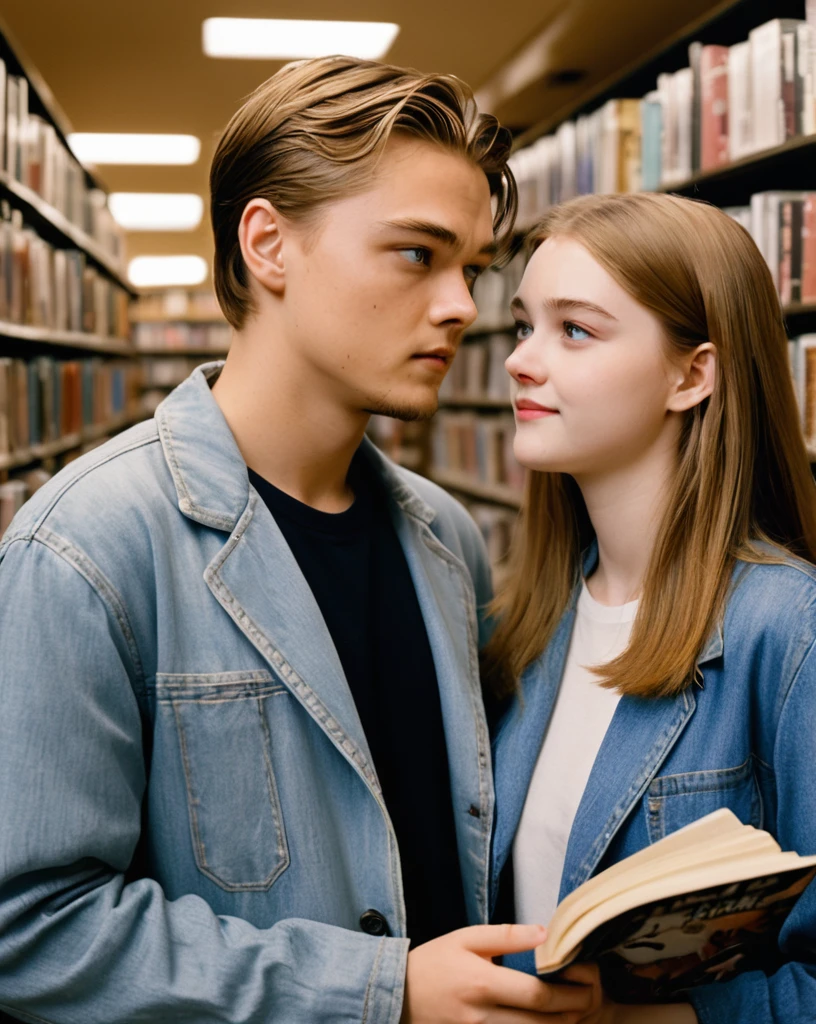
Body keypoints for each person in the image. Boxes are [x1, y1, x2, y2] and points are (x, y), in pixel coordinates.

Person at [0, 57, 593, 1023]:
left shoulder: (447, 538)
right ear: (268, 245)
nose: (462, 308)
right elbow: (29, 930)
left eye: (474, 270)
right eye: (416, 254)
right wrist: (382, 991)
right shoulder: (85, 550)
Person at [484, 191, 816, 1024]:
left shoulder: (787, 630)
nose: (521, 361)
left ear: (691, 374)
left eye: (576, 330)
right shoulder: (520, 624)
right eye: (524, 326)